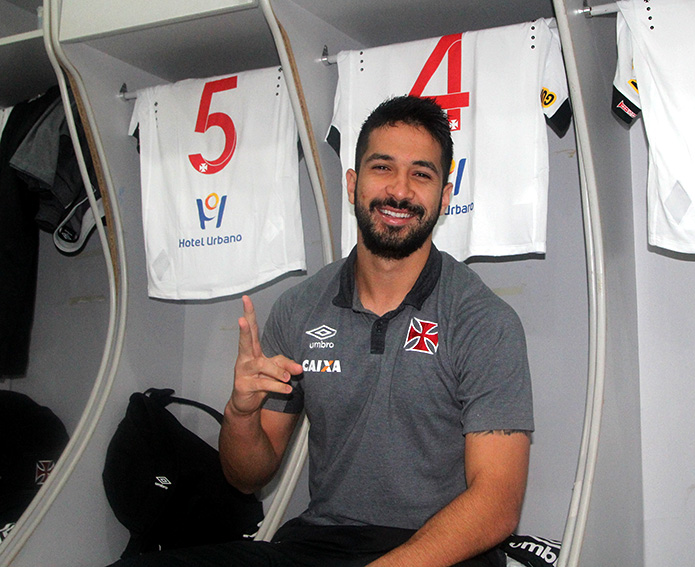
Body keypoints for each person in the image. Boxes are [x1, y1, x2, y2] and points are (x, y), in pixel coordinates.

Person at [111, 95, 534, 567]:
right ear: (352, 184)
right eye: (382, 168)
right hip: (321, 544)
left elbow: (497, 503)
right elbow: (246, 478)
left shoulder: (483, 320)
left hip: (444, 552)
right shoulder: (300, 308)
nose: (399, 190)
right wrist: (241, 413)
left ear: (445, 195)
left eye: (421, 174)